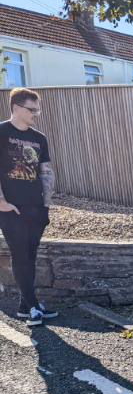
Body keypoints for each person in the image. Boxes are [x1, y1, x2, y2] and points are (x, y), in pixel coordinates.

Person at [0, 88, 58, 326]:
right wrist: (1, 203)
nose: (36, 113)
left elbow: (46, 172)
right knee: (20, 254)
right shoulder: (1, 132)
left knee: (30, 255)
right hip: (11, 208)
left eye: (37, 109)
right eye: (32, 109)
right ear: (16, 108)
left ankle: (25, 306)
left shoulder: (39, 138)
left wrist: (45, 205)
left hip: (36, 207)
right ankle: (33, 305)